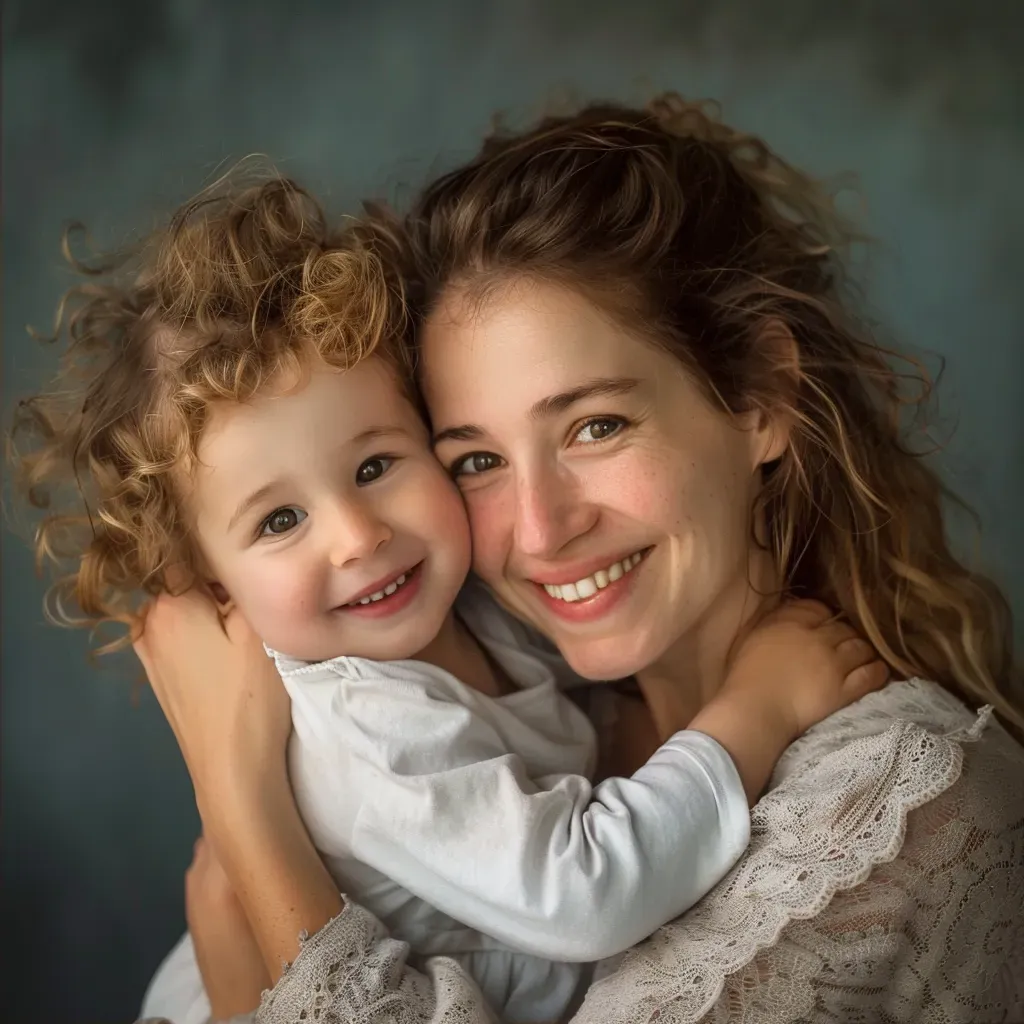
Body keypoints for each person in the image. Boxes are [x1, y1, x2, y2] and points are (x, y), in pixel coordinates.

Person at [130, 94, 1024, 1023]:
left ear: (761, 397)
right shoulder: (550, 710)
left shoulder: (902, 806)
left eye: (596, 426)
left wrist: (244, 826)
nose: (540, 530)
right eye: (477, 458)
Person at [11, 171, 883, 1024]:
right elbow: (585, 891)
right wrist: (758, 708)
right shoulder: (367, 725)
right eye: (279, 519)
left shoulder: (474, 614)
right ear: (211, 589)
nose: (356, 535)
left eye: (376, 465)